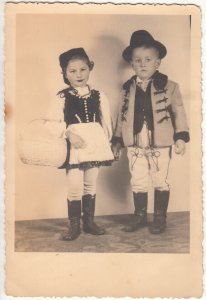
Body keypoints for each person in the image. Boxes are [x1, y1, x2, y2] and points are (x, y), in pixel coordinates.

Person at [112, 30, 190, 234]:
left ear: (158, 63)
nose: (143, 64)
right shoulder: (126, 89)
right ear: (132, 64)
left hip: (161, 144)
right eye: (137, 60)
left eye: (148, 59)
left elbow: (178, 112)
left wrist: (181, 137)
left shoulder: (171, 87)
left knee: (159, 179)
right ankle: (139, 217)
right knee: (137, 179)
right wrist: (117, 140)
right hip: (135, 145)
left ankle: (159, 218)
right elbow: (121, 116)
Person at [46, 48, 114, 241]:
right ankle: (74, 225)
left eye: (83, 69)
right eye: (73, 71)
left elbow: (106, 121)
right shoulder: (62, 96)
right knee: (75, 185)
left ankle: (89, 222)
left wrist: (107, 145)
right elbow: (50, 122)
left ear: (90, 69)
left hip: (95, 146)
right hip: (74, 147)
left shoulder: (99, 95)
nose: (78, 75)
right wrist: (67, 134)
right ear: (65, 74)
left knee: (90, 184)